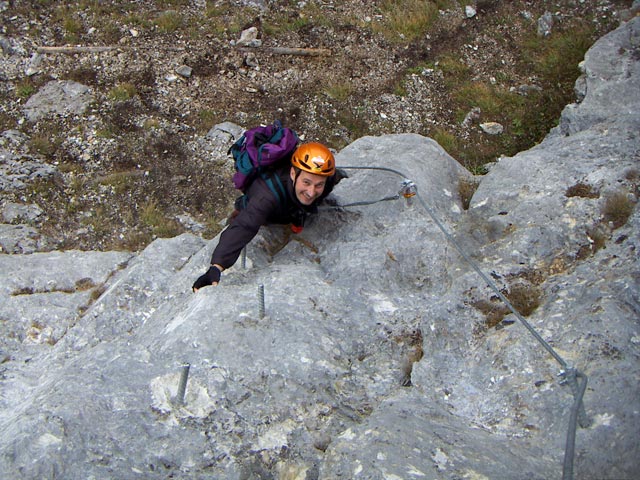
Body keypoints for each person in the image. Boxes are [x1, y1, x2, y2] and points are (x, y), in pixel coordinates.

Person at [192, 141, 341, 291]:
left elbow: (330, 179)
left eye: (318, 185)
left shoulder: (327, 180)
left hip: (287, 198)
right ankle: (242, 208)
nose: (311, 191)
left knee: (303, 200)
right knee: (262, 215)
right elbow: (245, 226)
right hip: (262, 200)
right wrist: (216, 267)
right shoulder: (267, 196)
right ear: (293, 173)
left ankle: (296, 213)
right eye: (306, 182)